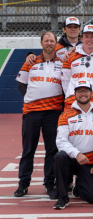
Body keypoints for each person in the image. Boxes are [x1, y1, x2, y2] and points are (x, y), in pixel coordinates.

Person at [16, 31, 64, 198]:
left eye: (52, 41)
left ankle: (49, 183)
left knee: (52, 149)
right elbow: (21, 85)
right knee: (28, 149)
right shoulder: (31, 61)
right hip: (32, 113)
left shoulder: (62, 63)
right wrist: (32, 100)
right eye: (46, 40)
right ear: (41, 43)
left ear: (56, 44)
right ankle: (23, 183)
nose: (49, 43)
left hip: (54, 113)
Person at [52, 79, 93, 209]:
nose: (83, 93)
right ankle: (63, 197)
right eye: (80, 91)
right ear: (75, 94)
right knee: (59, 156)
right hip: (71, 160)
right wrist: (77, 154)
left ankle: (80, 185)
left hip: (90, 163)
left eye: (86, 91)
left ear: (91, 93)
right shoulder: (66, 115)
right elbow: (61, 141)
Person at [61, 24, 93, 108]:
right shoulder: (70, 56)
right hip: (73, 103)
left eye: (92, 37)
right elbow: (65, 81)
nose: (89, 39)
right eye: (86, 36)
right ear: (81, 38)